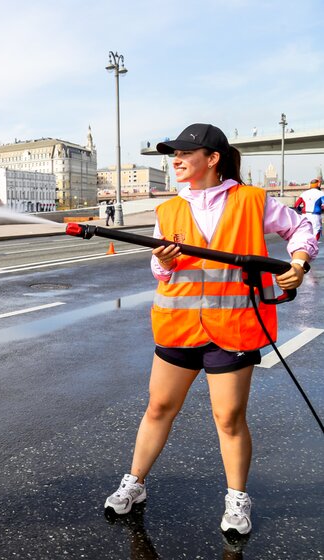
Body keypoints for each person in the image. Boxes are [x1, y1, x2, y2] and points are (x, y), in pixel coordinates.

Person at [103, 123, 317, 537]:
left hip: (233, 329)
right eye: (173, 155)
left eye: (185, 153)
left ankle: (237, 499)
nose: (176, 160)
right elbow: (158, 270)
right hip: (178, 328)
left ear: (212, 158)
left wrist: (298, 263)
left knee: (229, 418)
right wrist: (164, 263)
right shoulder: (168, 210)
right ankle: (135, 483)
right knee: (159, 409)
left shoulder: (253, 201)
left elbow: (302, 228)